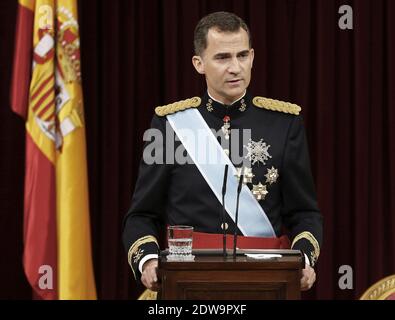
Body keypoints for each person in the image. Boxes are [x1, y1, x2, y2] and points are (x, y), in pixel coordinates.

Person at [123, 11, 322, 294]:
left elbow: (304, 213)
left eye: (242, 56)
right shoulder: (171, 125)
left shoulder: (285, 124)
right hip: (188, 285)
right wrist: (149, 261)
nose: (235, 67)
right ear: (199, 63)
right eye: (222, 57)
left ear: (252, 57)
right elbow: (141, 215)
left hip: (266, 284)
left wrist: (302, 258)